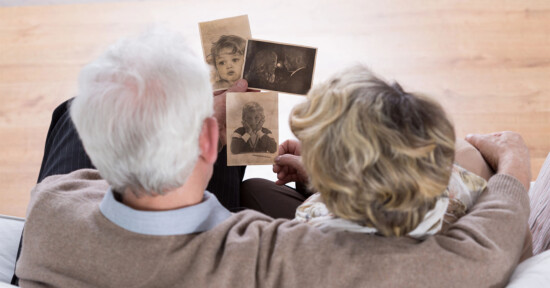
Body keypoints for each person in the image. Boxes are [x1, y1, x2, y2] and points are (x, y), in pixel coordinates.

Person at [15, 29, 532, 287]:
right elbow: (474, 258)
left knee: (74, 109)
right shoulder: (282, 259)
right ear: (206, 143)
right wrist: (513, 171)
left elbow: (80, 179)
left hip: (94, 243)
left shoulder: (49, 209)